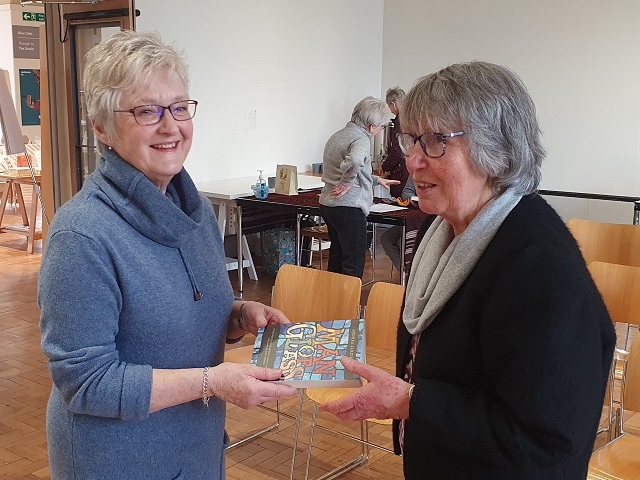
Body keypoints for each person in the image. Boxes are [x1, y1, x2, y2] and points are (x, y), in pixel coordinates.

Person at [320, 61, 616, 479]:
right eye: (413, 140)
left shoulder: (540, 267)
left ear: (496, 151)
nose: (414, 161)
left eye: (437, 141)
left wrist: (411, 402)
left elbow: (548, 440)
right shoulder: (441, 231)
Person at [38, 31, 297, 480]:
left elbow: (178, 313)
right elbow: (86, 383)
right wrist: (212, 381)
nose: (170, 126)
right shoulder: (81, 235)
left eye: (179, 107)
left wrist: (238, 315)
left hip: (194, 442)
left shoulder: (191, 211)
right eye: (146, 111)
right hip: (120, 460)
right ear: (100, 127)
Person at [319, 96, 400, 278]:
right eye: (381, 127)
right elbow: (355, 162)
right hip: (349, 207)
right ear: (372, 126)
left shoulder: (338, 135)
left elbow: (353, 170)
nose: (380, 131)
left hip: (329, 205)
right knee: (353, 262)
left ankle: (331, 302)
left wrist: (377, 180)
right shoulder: (361, 139)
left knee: (337, 256)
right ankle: (347, 305)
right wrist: (346, 183)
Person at [379, 176, 419, 272]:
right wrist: (413, 199)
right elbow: (406, 192)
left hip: (435, 219)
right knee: (387, 238)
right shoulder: (415, 171)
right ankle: (406, 273)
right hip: (414, 217)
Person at [380, 86, 409, 198]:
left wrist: (385, 166)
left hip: (401, 171)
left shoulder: (400, 121)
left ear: (393, 104)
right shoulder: (410, 117)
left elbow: (397, 150)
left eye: (389, 106)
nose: (390, 110)